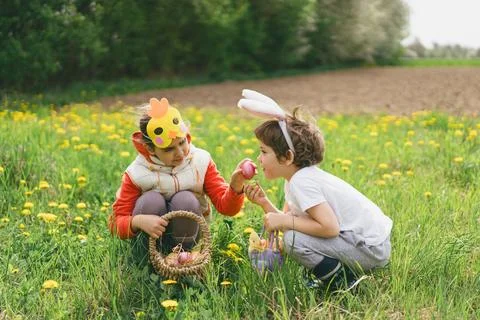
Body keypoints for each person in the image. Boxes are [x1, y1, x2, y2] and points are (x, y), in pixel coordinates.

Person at [238, 89, 392, 290]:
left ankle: (345, 283)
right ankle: (337, 275)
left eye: (264, 152)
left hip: (370, 250)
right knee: (292, 235)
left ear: (287, 157)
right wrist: (264, 203)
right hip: (362, 245)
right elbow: (289, 222)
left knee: (293, 241)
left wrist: (284, 220)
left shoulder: (303, 182)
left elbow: (329, 228)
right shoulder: (295, 180)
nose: (259, 158)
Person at [109, 97, 247, 253]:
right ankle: (149, 255)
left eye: (182, 142)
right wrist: (137, 221)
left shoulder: (200, 161)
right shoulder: (136, 173)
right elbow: (116, 224)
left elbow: (227, 208)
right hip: (150, 236)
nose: (180, 153)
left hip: (189, 233)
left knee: (186, 199)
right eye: (169, 149)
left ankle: (185, 254)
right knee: (151, 200)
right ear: (151, 149)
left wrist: (235, 187)